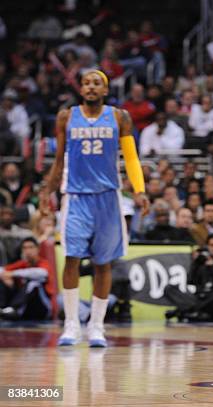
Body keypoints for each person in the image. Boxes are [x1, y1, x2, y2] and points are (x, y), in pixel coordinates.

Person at [41, 70, 150, 347]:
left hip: (108, 197)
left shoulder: (118, 117)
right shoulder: (67, 116)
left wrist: (139, 191)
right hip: (75, 196)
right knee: (72, 258)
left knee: (103, 263)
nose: (91, 87)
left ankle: (97, 327)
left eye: (96, 83)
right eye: (86, 83)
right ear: (81, 89)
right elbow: (59, 161)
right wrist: (47, 191)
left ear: (105, 90)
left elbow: (132, 158)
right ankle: (71, 325)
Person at [0, 237, 55, 320]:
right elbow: (2, 269)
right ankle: (4, 308)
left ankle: (14, 309)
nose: (28, 251)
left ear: (38, 249)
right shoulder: (23, 264)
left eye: (31, 247)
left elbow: (42, 273)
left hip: (43, 306)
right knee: (3, 279)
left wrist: (12, 274)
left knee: (33, 283)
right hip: (27, 308)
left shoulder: (44, 263)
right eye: (25, 248)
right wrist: (4, 275)